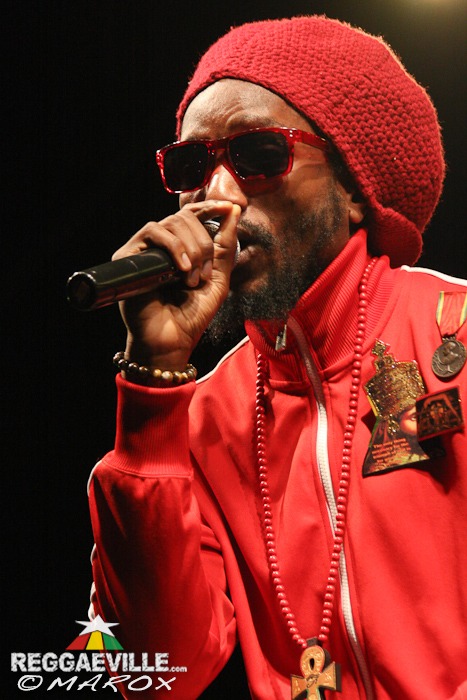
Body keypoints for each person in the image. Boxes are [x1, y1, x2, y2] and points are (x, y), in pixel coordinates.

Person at [86, 16, 467, 699]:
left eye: (258, 156)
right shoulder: (201, 417)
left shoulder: (456, 338)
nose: (217, 197)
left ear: (355, 190)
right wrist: (152, 385)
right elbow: (151, 676)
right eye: (191, 166)